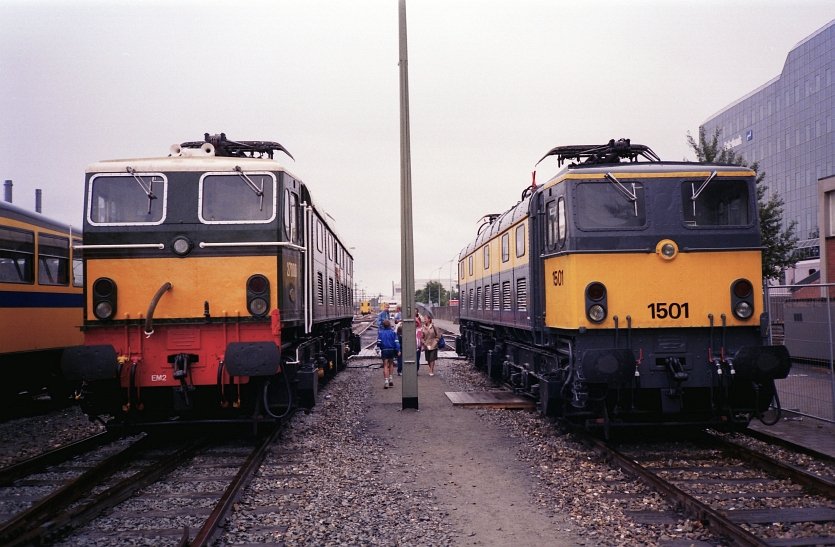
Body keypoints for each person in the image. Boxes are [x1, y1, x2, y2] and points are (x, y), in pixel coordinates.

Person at [377, 319, 400, 388]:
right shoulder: (393, 333)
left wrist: (380, 348)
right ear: (389, 325)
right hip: (392, 350)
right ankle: (391, 379)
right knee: (391, 364)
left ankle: (386, 381)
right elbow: (396, 342)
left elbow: (379, 343)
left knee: (385, 365)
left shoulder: (380, 333)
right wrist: (398, 350)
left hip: (384, 350)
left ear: (383, 326)